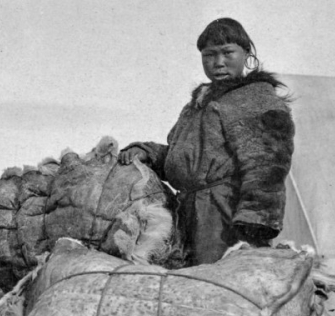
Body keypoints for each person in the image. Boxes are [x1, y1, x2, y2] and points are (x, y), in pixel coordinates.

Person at [119, 18, 294, 266]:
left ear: (246, 54)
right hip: (188, 211)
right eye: (209, 55)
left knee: (216, 287)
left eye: (227, 52)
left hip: (223, 214)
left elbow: (267, 165)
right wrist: (147, 152)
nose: (218, 62)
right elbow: (187, 158)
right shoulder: (200, 104)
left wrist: (256, 220)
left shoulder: (255, 100)